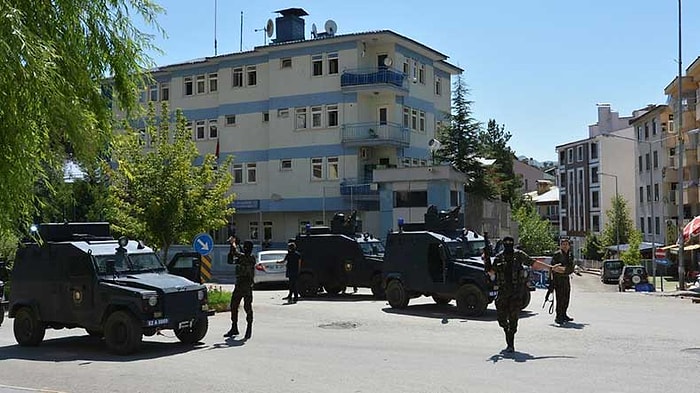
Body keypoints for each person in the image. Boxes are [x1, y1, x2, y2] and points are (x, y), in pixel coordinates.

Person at [487, 236, 550, 353]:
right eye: (506, 243)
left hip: (516, 293)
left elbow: (533, 263)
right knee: (501, 320)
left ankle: (510, 344)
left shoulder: (519, 255)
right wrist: (486, 263)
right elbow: (492, 272)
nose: (508, 245)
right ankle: (506, 331)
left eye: (510, 242)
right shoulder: (499, 257)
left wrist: (550, 268)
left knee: (513, 320)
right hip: (503, 293)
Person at [225, 238, 256, 339]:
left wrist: (233, 243)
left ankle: (249, 327)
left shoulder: (250, 258)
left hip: (247, 286)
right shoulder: (243, 257)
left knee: (247, 307)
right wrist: (231, 249)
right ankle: (234, 327)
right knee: (233, 306)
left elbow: (235, 252)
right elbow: (231, 260)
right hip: (239, 285)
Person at [550, 237, 575, 324]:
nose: (565, 246)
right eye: (563, 244)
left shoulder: (570, 255)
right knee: (560, 298)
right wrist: (563, 269)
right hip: (558, 279)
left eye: (566, 244)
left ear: (569, 246)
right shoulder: (557, 254)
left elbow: (571, 268)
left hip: (566, 279)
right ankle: (559, 316)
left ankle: (564, 314)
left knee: (566, 298)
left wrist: (563, 270)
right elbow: (554, 267)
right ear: (560, 246)